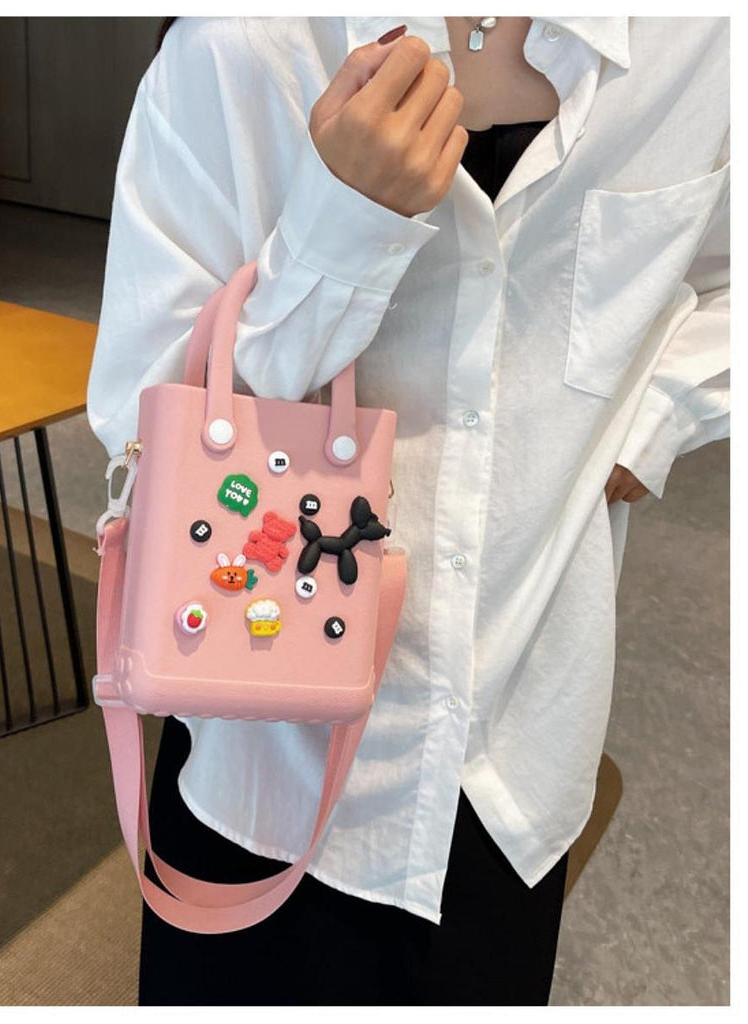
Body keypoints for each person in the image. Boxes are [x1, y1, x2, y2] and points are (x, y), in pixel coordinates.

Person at [86, 16, 730, 1006]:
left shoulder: (704, 43)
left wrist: (661, 415)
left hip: (515, 741)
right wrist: (340, 227)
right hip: (266, 753)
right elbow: (143, 437)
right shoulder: (245, 43)